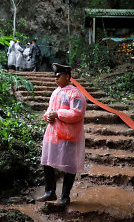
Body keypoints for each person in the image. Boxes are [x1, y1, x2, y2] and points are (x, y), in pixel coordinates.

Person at [36, 63, 87, 207]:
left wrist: (58, 114)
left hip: (69, 136)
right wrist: (48, 116)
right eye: (55, 76)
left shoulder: (75, 93)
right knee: (47, 162)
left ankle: (65, 196)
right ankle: (50, 192)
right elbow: (49, 110)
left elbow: (77, 113)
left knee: (70, 166)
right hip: (53, 135)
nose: (56, 79)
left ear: (67, 76)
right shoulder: (55, 92)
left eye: (59, 76)